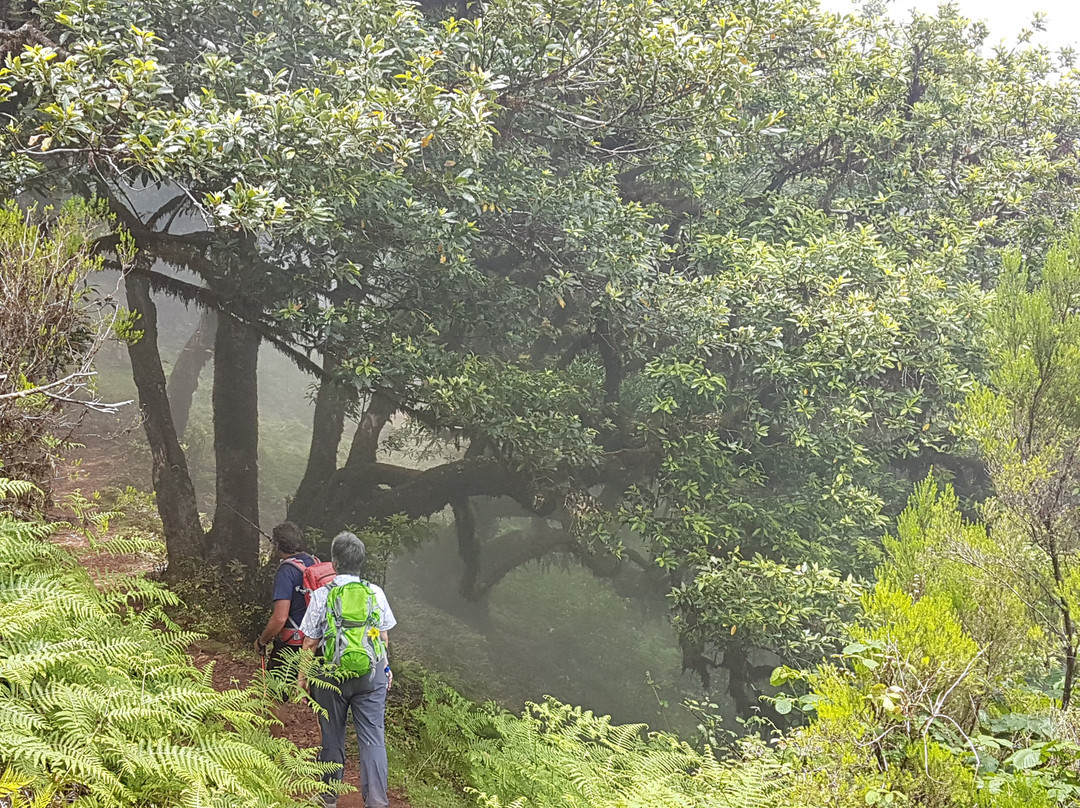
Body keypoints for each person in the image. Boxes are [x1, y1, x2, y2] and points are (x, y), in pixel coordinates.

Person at [298, 531, 396, 808]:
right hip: (370, 674)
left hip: (331, 676)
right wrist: (385, 669)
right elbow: (383, 637)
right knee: (373, 737)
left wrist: (302, 677)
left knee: (332, 736)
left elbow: (310, 642)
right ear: (361, 562)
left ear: (334, 562)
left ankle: (328, 797)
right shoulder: (375, 592)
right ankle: (376, 801)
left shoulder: (321, 595)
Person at [254, 521, 317, 672]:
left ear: (277, 545)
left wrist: (262, 641)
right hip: (316, 642)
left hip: (292, 644)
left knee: (277, 691)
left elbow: (280, 618)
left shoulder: (286, 572)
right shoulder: (313, 562)